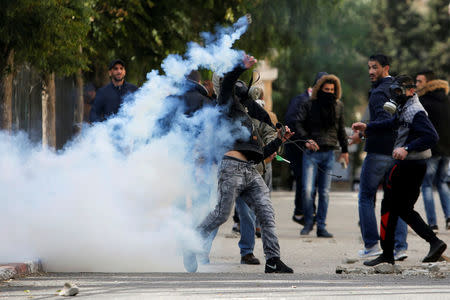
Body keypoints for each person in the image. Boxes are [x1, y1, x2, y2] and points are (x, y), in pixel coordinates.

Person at [183, 54, 294, 274]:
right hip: (231, 167)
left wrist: (279, 140)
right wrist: (239, 67)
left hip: (250, 170)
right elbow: (228, 83)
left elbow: (260, 154)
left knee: (266, 212)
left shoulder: (244, 114)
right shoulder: (224, 106)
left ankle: (273, 260)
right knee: (222, 215)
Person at [352, 75, 447, 266]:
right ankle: (433, 243)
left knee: (390, 207)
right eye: (394, 91)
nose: (396, 95)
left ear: (411, 91)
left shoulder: (415, 111)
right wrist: (368, 127)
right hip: (412, 166)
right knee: (402, 209)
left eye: (399, 91)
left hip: (409, 165)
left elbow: (431, 136)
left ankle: (389, 254)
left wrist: (407, 148)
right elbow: (392, 123)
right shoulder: (406, 107)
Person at [349, 54, 408, 260]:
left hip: (378, 152)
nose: (371, 72)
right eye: (369, 67)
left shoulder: (378, 92)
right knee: (395, 200)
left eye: (375, 67)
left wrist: (366, 129)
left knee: (366, 197)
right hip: (398, 151)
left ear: (386, 68)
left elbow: (385, 121)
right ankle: (400, 247)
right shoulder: (398, 89)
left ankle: (372, 245)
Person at [295, 74, 349, 237]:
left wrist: (345, 151)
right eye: (326, 89)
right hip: (311, 152)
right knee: (307, 190)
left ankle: (321, 226)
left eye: (332, 90)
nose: (329, 92)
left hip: (329, 152)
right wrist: (306, 139)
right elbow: (298, 123)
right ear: (320, 89)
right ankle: (309, 223)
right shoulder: (309, 105)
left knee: (324, 192)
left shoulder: (338, 106)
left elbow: (341, 129)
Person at [236, 85, 277, 265]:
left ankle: (247, 252)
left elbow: (271, 135)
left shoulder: (260, 114)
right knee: (216, 212)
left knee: (248, 213)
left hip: (253, 171)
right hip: (229, 170)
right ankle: (199, 250)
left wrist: (275, 145)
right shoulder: (225, 111)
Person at [285, 72, 326, 225]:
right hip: (297, 147)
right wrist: (305, 140)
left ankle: (304, 212)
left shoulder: (318, 103)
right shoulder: (300, 100)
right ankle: (302, 212)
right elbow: (291, 123)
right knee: (304, 181)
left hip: (310, 148)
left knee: (308, 181)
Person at [416, 70, 450, 231]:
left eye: (419, 81)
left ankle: (432, 223)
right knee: (442, 183)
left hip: (431, 149)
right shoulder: (447, 100)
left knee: (427, 185)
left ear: (429, 82)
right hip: (447, 150)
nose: (416, 84)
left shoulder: (423, 101)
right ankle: (449, 218)